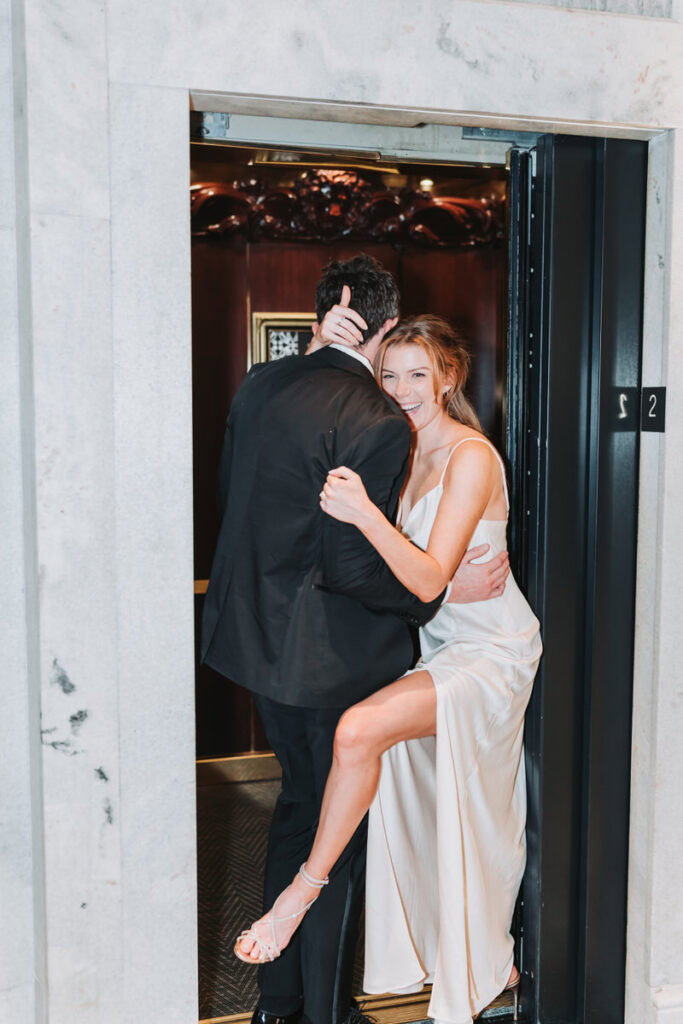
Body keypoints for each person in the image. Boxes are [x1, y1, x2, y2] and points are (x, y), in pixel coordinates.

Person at [202, 255, 509, 1024]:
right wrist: (424, 591)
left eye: (417, 376)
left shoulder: (264, 384)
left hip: (270, 642)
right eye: (393, 370)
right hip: (333, 652)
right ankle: (319, 1008)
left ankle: (290, 1000)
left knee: (312, 808)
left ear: (446, 377)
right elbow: (354, 569)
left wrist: (430, 583)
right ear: (377, 331)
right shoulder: (370, 420)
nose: (399, 388)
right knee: (326, 819)